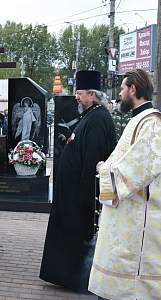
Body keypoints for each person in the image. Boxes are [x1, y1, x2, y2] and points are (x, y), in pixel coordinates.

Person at [40, 70, 116, 292]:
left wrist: (88, 202)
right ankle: (67, 277)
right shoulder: (91, 115)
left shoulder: (99, 119)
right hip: (72, 196)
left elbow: (94, 160)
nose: (76, 97)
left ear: (92, 95)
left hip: (81, 200)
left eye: (80, 93)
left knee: (78, 243)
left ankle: (79, 280)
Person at [89, 69, 161, 300]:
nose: (119, 94)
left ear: (133, 89)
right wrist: (109, 165)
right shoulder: (138, 120)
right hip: (126, 217)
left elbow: (141, 168)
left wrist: (105, 170)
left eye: (122, 89)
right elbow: (126, 160)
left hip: (138, 220)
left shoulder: (152, 123)